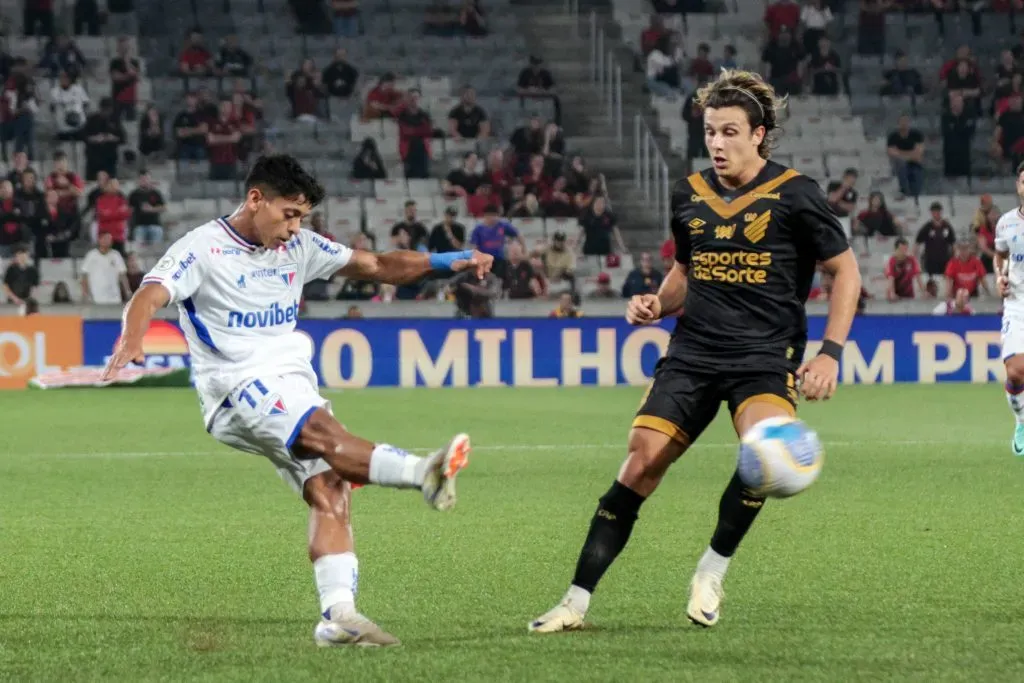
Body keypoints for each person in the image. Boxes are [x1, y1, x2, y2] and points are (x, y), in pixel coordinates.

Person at [101, 154, 494, 647]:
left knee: (330, 486)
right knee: (326, 437)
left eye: (301, 216)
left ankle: (340, 617)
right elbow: (150, 294)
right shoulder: (202, 248)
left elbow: (377, 265)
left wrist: (444, 262)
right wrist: (133, 339)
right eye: (289, 214)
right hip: (236, 385)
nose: (295, 227)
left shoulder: (300, 246)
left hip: (289, 379)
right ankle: (423, 474)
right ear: (255, 199)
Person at [528, 70, 861, 633]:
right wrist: (656, 305)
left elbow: (845, 272)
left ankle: (711, 570)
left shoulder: (796, 194)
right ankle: (575, 602)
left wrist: (829, 353)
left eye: (730, 131)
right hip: (692, 353)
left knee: (764, 456)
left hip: (763, 356)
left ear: (758, 135)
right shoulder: (689, 193)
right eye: (710, 131)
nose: (717, 143)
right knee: (640, 464)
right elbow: (686, 270)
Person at [993, 162, 1024, 455]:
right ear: (1018, 186)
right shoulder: (1006, 223)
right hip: (1017, 303)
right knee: (1015, 373)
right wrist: (1000, 276)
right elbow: (999, 256)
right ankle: (1021, 421)